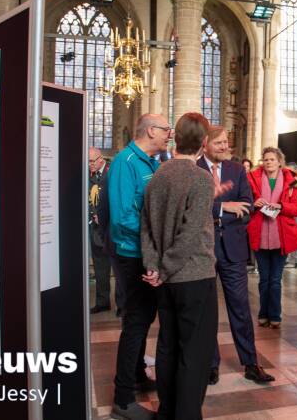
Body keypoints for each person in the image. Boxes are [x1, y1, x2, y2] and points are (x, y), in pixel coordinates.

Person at [140, 112, 218, 420]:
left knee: (168, 347)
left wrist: (154, 267)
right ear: (204, 142)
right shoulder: (201, 178)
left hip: (165, 279)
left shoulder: (157, 175)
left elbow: (146, 227)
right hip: (193, 276)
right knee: (194, 354)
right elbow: (190, 234)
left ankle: (167, 412)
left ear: (175, 138)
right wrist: (165, 268)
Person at [198, 126, 275, 386]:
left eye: (226, 142)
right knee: (206, 310)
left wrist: (222, 212)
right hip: (203, 249)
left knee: (240, 307)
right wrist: (222, 208)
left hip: (233, 247)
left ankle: (251, 363)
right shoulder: (194, 167)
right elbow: (190, 206)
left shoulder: (236, 170)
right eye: (218, 143)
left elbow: (247, 203)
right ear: (205, 143)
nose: (224, 146)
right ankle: (210, 364)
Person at [108, 113, 172, 420]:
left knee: (144, 318)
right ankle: (122, 400)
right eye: (165, 130)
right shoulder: (126, 162)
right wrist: (155, 240)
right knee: (135, 321)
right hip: (133, 254)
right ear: (150, 131)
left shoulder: (152, 163)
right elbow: (123, 217)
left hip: (147, 252)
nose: (169, 135)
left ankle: (136, 375)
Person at [246, 147, 297, 328]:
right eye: (266, 159)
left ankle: (275, 315)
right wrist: (253, 204)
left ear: (279, 162)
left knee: (275, 280)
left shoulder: (291, 181)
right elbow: (245, 203)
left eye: (272, 159)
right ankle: (263, 313)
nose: (269, 162)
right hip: (260, 234)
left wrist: (281, 206)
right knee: (264, 279)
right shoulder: (252, 178)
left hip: (282, 236)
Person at [88, 147, 116, 315]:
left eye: (92, 161)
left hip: (113, 229)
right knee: (100, 269)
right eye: (88, 162)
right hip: (96, 231)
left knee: (119, 271)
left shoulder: (112, 173)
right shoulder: (89, 175)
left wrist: (105, 215)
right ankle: (102, 302)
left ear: (101, 159)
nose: (90, 165)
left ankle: (122, 306)